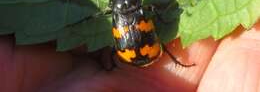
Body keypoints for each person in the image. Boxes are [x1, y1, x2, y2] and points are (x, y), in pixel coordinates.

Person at [0, 21, 259, 92]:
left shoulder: (116, 18)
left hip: (132, 54)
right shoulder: (139, 12)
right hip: (144, 51)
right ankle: (176, 59)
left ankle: (114, 61)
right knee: (157, 40)